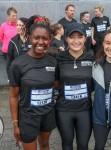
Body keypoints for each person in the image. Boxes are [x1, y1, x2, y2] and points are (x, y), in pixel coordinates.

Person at [9, 15, 57, 150]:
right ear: (30, 38)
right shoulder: (18, 64)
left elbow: (56, 85)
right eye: (36, 38)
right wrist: (15, 124)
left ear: (50, 39)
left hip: (47, 115)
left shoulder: (53, 62)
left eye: (45, 38)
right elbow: (13, 96)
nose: (40, 42)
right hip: (28, 117)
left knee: (45, 145)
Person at [55, 22, 94, 150]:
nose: (76, 41)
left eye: (80, 37)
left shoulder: (91, 57)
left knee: (83, 145)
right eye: (72, 37)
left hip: (85, 109)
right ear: (66, 39)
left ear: (85, 38)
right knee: (67, 144)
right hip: (64, 110)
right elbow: (55, 81)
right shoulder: (59, 58)